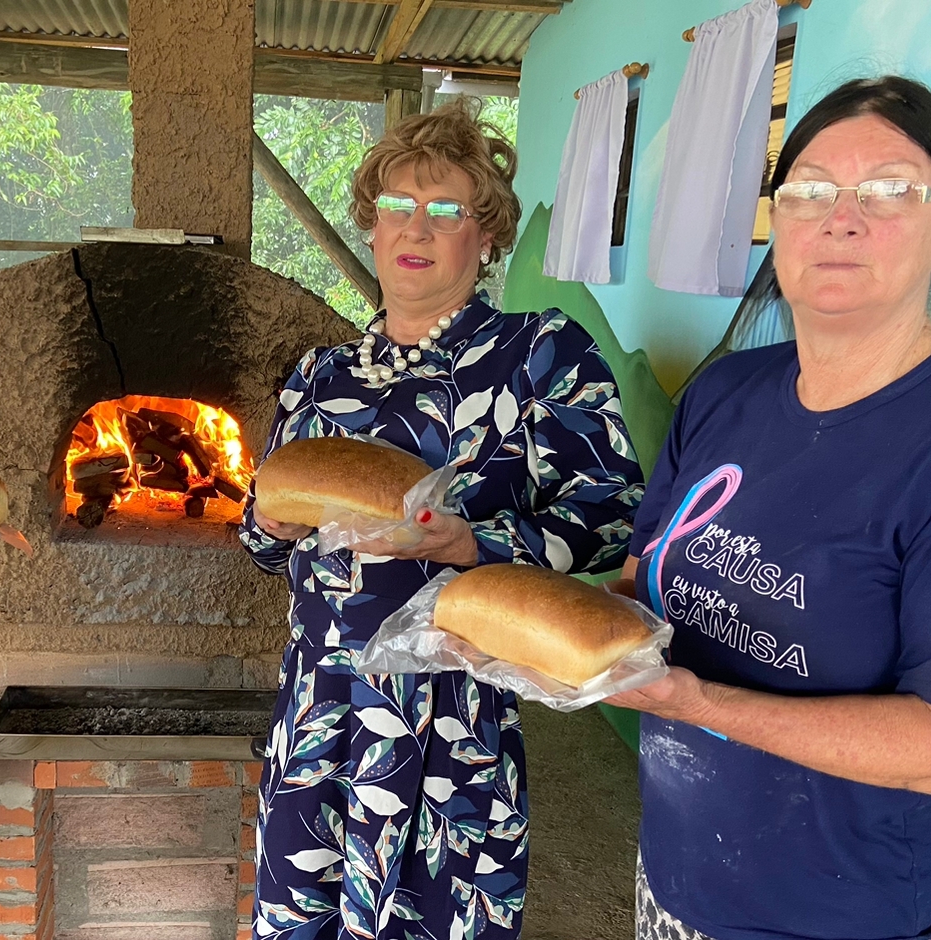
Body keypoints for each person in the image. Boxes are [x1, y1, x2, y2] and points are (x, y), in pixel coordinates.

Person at [604, 77, 931, 940]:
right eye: (811, 190)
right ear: (778, 221)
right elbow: (641, 590)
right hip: (674, 879)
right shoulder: (725, 395)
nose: (842, 217)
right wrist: (525, 617)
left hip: (840, 916)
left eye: (892, 190)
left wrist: (701, 704)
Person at [238, 100, 644, 939]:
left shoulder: (539, 354)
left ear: (486, 235)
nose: (413, 228)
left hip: (451, 713)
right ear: (371, 224)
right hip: (320, 708)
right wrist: (270, 529)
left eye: (446, 209)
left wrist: (475, 543)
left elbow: (612, 515)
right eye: (395, 206)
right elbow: (260, 537)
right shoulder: (318, 374)